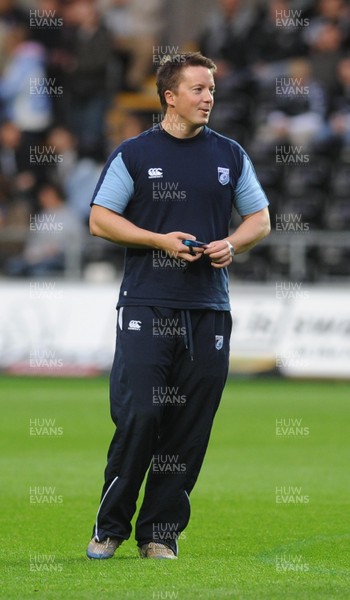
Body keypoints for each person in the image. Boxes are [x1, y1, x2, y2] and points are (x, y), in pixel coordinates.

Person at [87, 52, 270, 561]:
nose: (208, 97)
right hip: (147, 304)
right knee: (142, 414)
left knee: (190, 428)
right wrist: (157, 240)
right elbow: (100, 219)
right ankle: (110, 527)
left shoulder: (230, 154)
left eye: (211, 88)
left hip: (209, 307)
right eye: (197, 89)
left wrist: (233, 243)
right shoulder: (135, 153)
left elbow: (260, 218)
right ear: (170, 96)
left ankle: (159, 534)